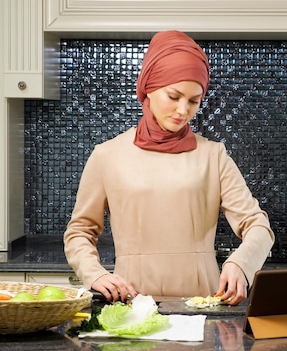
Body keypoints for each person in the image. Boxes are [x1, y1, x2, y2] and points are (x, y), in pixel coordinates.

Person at [63, 30, 274, 306]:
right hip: (132, 303)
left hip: (203, 304)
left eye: (193, 101)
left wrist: (241, 264)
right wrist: (95, 274)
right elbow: (79, 232)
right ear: (148, 87)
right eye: (174, 96)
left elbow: (258, 225)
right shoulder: (107, 156)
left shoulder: (213, 155)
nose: (183, 110)